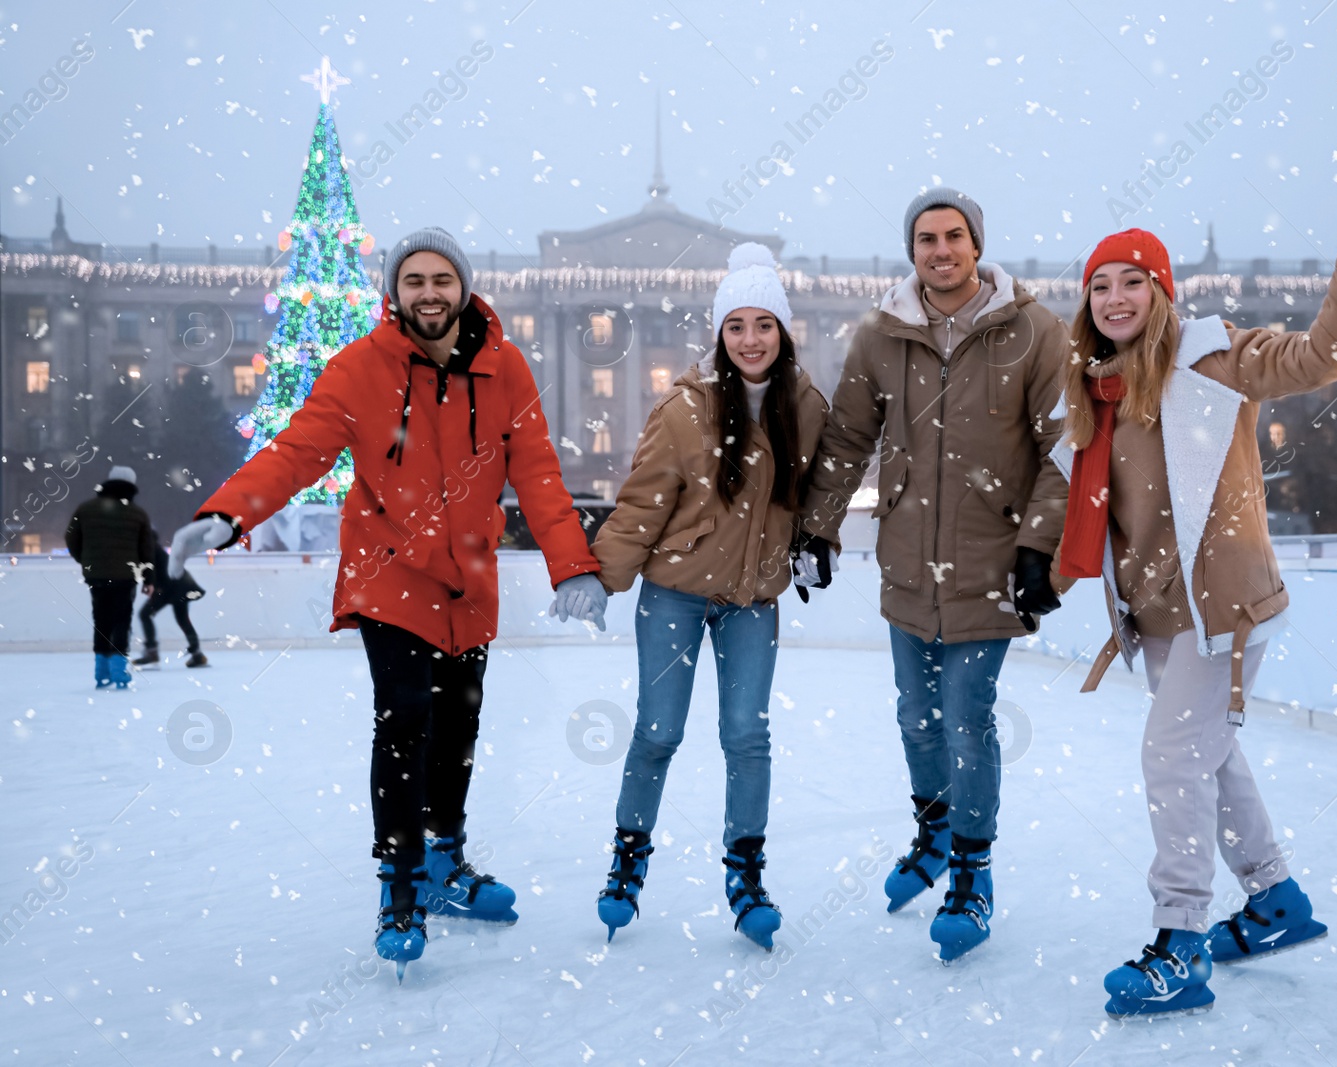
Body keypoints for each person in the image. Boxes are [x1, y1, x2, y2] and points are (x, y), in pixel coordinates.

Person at [166, 227, 609, 980]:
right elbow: (298, 449)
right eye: (415, 281)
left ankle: (444, 861)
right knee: (404, 718)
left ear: (462, 287)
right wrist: (230, 511)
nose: (429, 293)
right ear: (395, 293)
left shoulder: (505, 369)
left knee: (459, 724)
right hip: (388, 568)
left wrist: (573, 566)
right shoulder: (361, 367)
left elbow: (537, 474)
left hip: (468, 575)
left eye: (442, 279)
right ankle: (400, 885)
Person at [1057, 163, 1337, 1017]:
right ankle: (1273, 902)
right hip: (1154, 614)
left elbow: (1320, 354)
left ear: (1160, 291)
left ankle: (1180, 940)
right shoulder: (1094, 391)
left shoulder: (1212, 359)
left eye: (1132, 282)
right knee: (1208, 759)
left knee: (1171, 758)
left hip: (1221, 605)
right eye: (1100, 286)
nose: (1115, 298)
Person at [794, 189, 1070, 962]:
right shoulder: (883, 334)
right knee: (915, 714)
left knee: (965, 715)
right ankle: (936, 830)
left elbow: (1064, 448)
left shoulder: (1033, 332)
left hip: (992, 563)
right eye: (926, 238)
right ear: (910, 249)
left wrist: (1037, 546)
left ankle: (972, 870)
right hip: (908, 559)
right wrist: (818, 524)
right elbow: (849, 436)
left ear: (978, 244)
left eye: (954, 237)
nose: (941, 250)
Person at [589, 244, 828, 949]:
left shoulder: (805, 407)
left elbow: (821, 491)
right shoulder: (685, 409)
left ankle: (745, 873)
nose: (750, 339)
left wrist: (819, 540)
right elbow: (639, 506)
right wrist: (601, 577)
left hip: (754, 600)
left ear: (782, 332)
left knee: (747, 735)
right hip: (675, 596)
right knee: (658, 731)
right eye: (736, 326)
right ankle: (627, 860)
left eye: (763, 324)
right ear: (719, 333)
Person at [64, 464, 154, 689]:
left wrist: (85, 560)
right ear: (131, 487)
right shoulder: (137, 513)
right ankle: (118, 670)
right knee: (122, 621)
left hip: (97, 575)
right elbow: (147, 550)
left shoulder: (86, 509)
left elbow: (70, 538)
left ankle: (101, 670)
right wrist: (149, 579)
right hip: (126, 576)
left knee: (101, 619)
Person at [133, 535, 209, 669]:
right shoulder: (150, 545)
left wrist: (155, 588)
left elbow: (152, 568)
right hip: (179, 584)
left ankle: (152, 652)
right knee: (182, 619)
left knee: (145, 614)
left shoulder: (146, 546)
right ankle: (197, 654)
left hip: (170, 586)